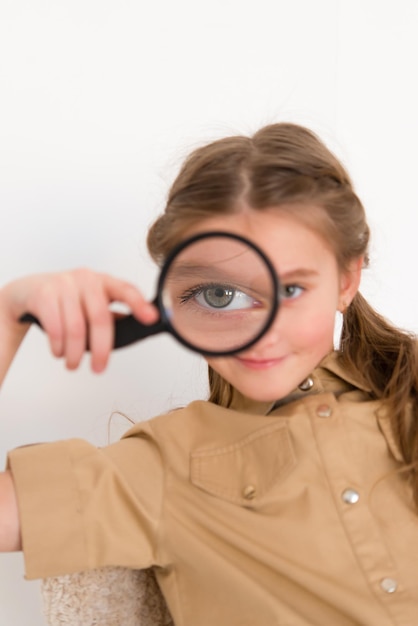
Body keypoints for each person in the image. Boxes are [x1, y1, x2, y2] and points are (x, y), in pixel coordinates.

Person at [0, 122, 417, 626]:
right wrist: (8, 315)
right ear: (176, 300)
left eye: (290, 291)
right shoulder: (162, 467)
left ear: (347, 280)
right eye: (220, 295)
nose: (262, 333)